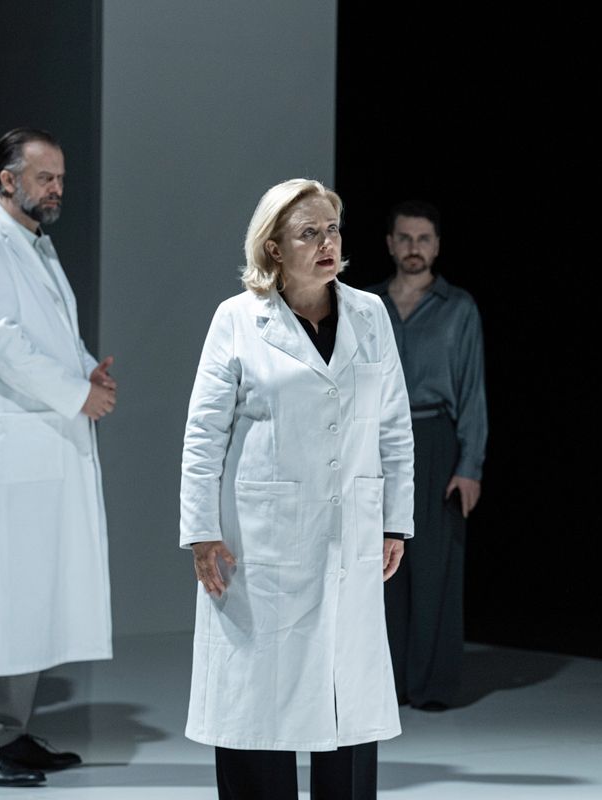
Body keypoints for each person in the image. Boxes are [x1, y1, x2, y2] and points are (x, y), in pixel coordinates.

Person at [180, 179, 414, 800]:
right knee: (258, 701)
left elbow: (394, 425)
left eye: (332, 229)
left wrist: (396, 520)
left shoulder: (369, 314)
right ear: (275, 248)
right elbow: (204, 434)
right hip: (260, 542)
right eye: (309, 233)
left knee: (348, 697)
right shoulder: (237, 319)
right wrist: (201, 531)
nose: (327, 243)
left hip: (349, 531)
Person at [0, 128, 117, 788]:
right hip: (2, 453)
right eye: (44, 178)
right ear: (8, 181)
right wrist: (76, 395)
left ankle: (11, 732)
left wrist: (87, 373)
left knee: (29, 594)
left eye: (60, 178)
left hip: (42, 449)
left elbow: (54, 339)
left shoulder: (35, 246)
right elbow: (0, 344)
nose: (57, 189)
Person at [369, 201, 486, 711]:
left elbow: (473, 390)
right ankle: (382, 684)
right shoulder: (365, 304)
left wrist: (469, 466)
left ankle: (431, 685)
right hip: (372, 440)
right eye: (405, 238)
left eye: (423, 239)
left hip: (435, 437)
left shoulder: (458, 307)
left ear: (436, 246)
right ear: (390, 244)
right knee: (377, 566)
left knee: (435, 566)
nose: (413, 248)